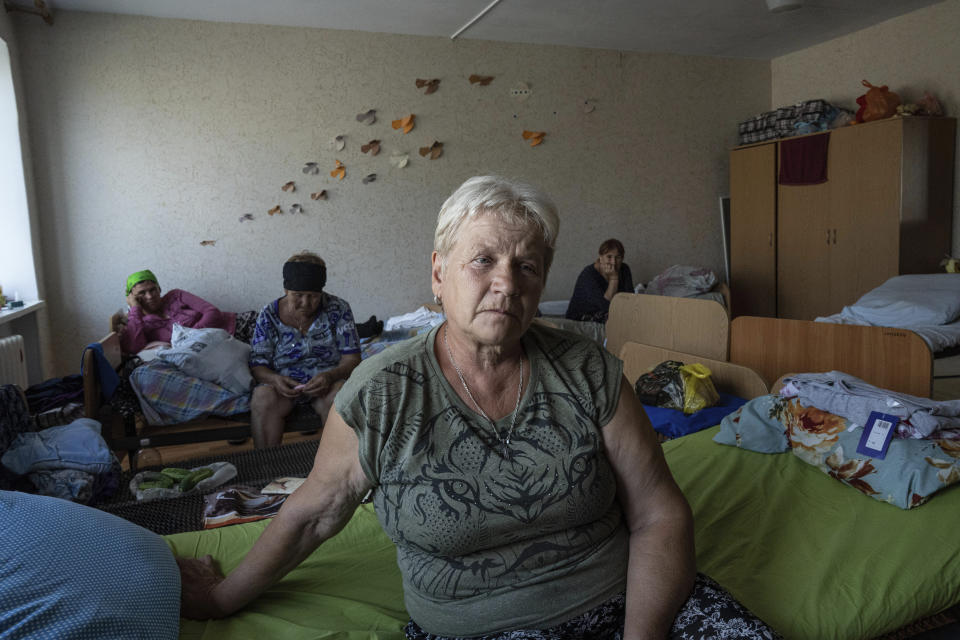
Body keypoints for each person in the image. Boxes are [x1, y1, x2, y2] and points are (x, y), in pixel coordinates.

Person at [178, 177, 779, 639]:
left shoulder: (590, 370)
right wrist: (223, 599)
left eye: (527, 266)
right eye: (483, 260)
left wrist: (641, 635)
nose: (507, 283)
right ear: (438, 274)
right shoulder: (383, 392)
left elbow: (657, 514)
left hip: (631, 603)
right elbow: (314, 513)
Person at [248, 252, 361, 449]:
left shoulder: (338, 309)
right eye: (298, 296)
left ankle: (333, 468)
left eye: (313, 296)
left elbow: (352, 358)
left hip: (327, 384)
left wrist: (330, 376)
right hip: (283, 386)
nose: (306, 303)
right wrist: (275, 380)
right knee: (262, 398)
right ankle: (265, 466)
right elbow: (258, 365)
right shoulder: (268, 315)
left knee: (340, 396)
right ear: (286, 290)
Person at [116, 270, 253, 353]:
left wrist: (189, 337)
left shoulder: (175, 296)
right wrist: (135, 309)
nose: (150, 296)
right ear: (132, 297)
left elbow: (212, 312)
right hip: (224, 346)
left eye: (153, 289)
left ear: (159, 289)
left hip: (241, 325)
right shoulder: (140, 323)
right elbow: (134, 348)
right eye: (142, 293)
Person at [565, 238, 635, 323]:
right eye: (609, 257)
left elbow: (631, 298)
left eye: (618, 257)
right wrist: (614, 278)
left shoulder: (624, 269)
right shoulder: (589, 275)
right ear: (601, 257)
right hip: (582, 317)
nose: (613, 262)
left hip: (610, 312)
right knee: (615, 319)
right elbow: (605, 306)